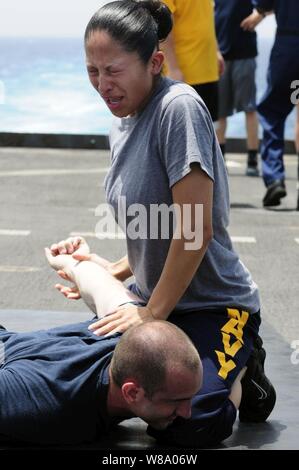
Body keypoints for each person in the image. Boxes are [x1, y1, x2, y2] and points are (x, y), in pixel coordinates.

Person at [51, 0, 276, 447]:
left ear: (154, 63)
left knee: (191, 422)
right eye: (92, 71)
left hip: (213, 307)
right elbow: (154, 225)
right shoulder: (123, 119)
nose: (102, 85)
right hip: (153, 301)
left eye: (112, 70)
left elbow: (194, 230)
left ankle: (246, 366)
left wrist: (150, 314)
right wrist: (108, 270)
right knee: (74, 384)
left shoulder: (179, 109)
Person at [0, 248, 202, 445]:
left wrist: (69, 261)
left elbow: (99, 283)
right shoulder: (46, 403)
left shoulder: (129, 329)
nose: (187, 412)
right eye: (176, 402)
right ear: (131, 393)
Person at [248, 0, 299, 208]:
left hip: (288, 46)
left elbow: (265, 2)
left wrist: (259, 11)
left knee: (272, 112)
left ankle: (275, 178)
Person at [214, 0, 265, 175]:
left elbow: (268, 4)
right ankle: (220, 159)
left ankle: (252, 159)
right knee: (219, 111)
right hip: (219, 52)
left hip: (245, 52)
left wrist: (259, 14)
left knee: (249, 107)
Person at [161, 0, 223, 122]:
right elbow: (163, 28)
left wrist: (216, 51)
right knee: (185, 131)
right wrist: (173, 68)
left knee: (210, 128)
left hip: (208, 70)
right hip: (185, 73)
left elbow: (205, 18)